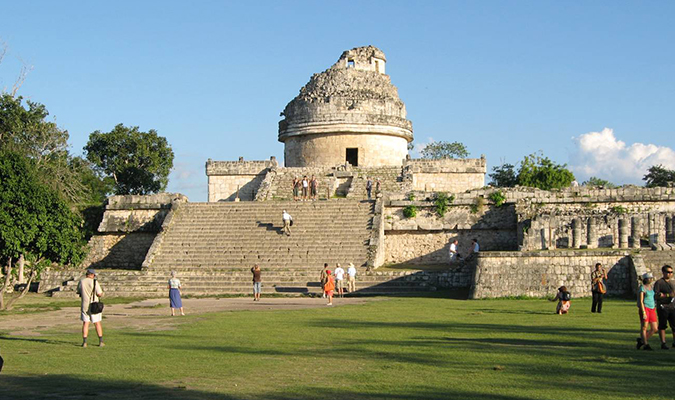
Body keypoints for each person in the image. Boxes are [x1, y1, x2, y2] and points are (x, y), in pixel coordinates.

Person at [76, 268, 104, 348]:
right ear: (92, 275)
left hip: (85, 304)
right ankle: (100, 341)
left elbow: (78, 291)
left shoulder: (81, 281)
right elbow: (99, 293)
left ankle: (84, 342)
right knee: (97, 323)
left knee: (85, 323)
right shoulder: (94, 282)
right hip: (94, 304)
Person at [654, 264, 675, 350]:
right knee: (662, 325)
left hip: (672, 307)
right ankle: (663, 342)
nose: (670, 274)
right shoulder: (659, 283)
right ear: (663, 272)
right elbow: (656, 295)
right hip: (663, 307)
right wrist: (667, 295)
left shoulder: (672, 283)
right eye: (668, 272)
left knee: (674, 326)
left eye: (671, 272)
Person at [637, 272, 657, 350]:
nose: (651, 279)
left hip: (652, 308)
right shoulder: (642, 288)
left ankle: (642, 340)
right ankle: (645, 344)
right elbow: (641, 300)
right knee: (644, 326)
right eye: (650, 278)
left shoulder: (651, 288)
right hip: (645, 308)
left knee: (654, 328)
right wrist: (643, 312)